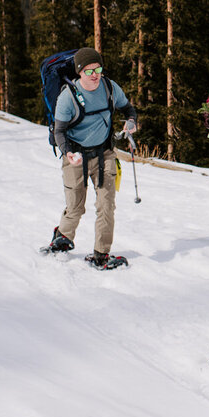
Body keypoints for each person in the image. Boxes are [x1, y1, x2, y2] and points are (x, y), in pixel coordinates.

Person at [45, 47, 137, 268]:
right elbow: (59, 131)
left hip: (104, 153)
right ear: (79, 72)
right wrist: (68, 152)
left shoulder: (109, 87)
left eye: (98, 69)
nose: (95, 74)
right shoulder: (67, 97)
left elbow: (128, 109)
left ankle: (101, 254)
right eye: (89, 71)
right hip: (75, 155)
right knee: (76, 205)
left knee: (106, 205)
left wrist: (131, 121)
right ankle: (63, 237)